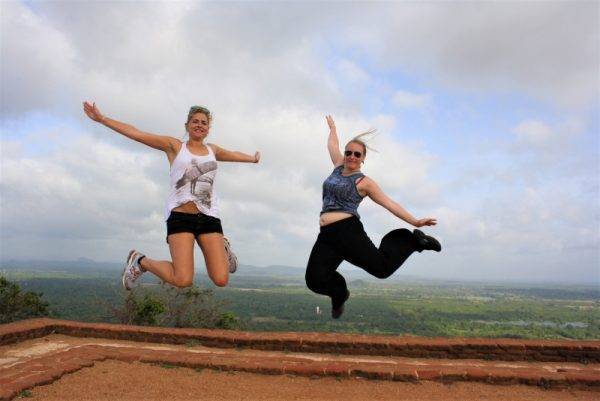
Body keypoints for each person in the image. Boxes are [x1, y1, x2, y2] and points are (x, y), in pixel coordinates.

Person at [83, 102, 260, 290]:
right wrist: (102, 119)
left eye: (204, 122)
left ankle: (222, 246)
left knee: (221, 280)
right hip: (181, 217)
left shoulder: (212, 150)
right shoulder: (174, 146)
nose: (199, 125)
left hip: (209, 217)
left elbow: (232, 154)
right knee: (183, 280)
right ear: (187, 125)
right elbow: (137, 134)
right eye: (195, 121)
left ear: (208, 129)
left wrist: (252, 158)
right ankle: (141, 261)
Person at [305, 115, 441, 318]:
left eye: (357, 154)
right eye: (348, 152)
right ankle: (340, 294)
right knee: (314, 279)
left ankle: (414, 242)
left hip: (347, 231)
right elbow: (331, 145)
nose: (351, 156)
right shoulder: (337, 167)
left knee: (382, 269)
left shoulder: (364, 182)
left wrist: (415, 220)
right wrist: (333, 128)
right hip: (327, 235)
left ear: (362, 159)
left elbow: (389, 203)